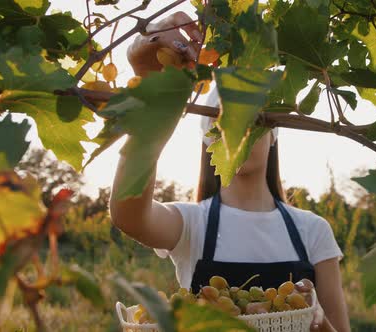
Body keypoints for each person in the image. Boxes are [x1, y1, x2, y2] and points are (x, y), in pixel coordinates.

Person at [111, 10, 352, 332]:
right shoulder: (192, 225)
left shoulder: (313, 230)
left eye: (251, 122)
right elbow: (128, 215)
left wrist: (317, 320)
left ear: (273, 134)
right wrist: (154, 93)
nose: (237, 134)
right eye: (222, 124)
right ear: (207, 142)